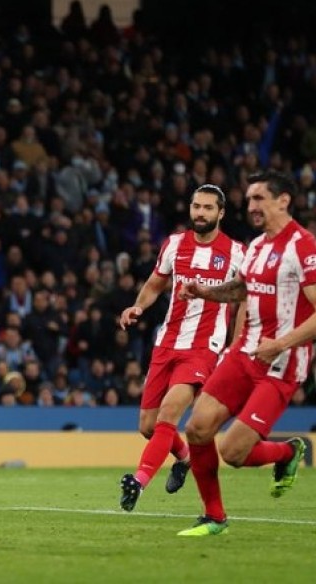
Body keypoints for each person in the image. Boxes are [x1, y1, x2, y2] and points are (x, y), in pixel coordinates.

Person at [176, 170, 313, 536]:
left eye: (259, 198)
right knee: (198, 428)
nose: (250, 205)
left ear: (283, 200)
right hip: (244, 352)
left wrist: (282, 343)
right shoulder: (256, 246)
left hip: (281, 362)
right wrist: (204, 292)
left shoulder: (303, 246)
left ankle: (288, 452)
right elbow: (242, 289)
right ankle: (214, 516)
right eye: (249, 199)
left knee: (234, 453)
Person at [118, 184, 246, 512]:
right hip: (167, 342)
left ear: (221, 213)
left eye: (207, 208)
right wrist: (138, 307)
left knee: (169, 413)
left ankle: (139, 481)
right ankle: (185, 458)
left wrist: (235, 343)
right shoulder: (174, 244)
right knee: (148, 426)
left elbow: (244, 298)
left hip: (204, 347)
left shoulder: (235, 252)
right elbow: (155, 283)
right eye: (196, 206)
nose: (200, 213)